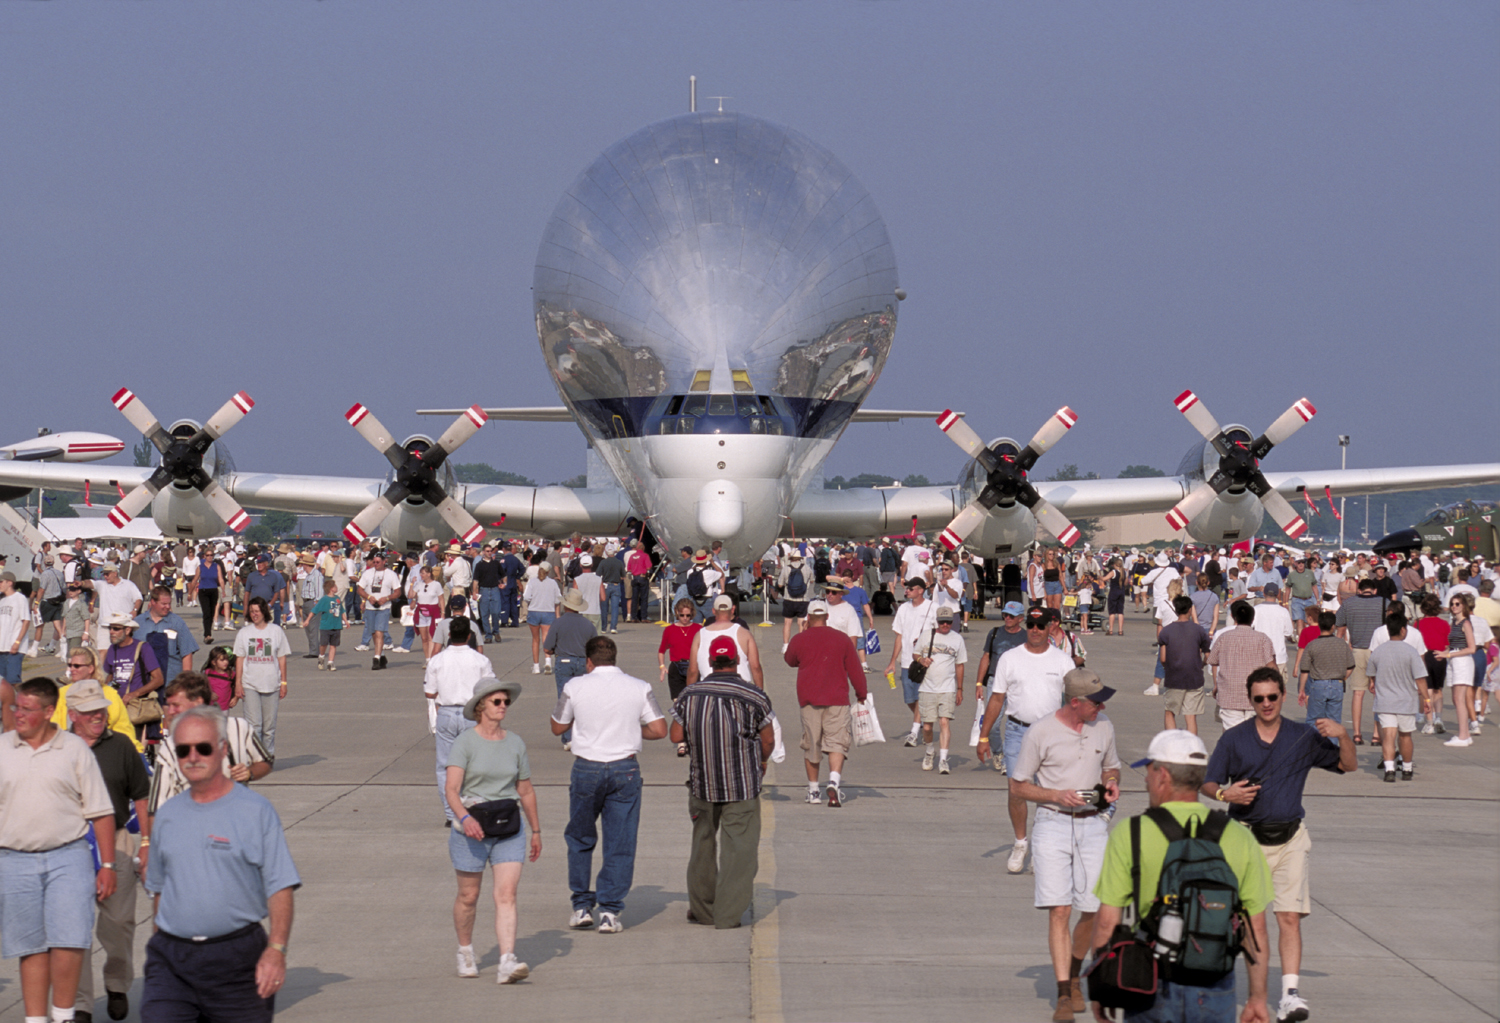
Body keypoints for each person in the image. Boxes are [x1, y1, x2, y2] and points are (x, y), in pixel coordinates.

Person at [1202, 667, 1355, 1023]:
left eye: (1272, 696)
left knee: (1289, 917)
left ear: (1283, 695)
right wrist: (1227, 793)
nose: (1266, 703)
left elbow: (1347, 765)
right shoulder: (1234, 738)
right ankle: (1223, 984)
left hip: (1290, 838)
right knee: (1245, 921)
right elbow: (1208, 782)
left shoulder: (1303, 736)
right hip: (1245, 838)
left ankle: (1289, 995)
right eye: (1259, 698)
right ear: (1250, 699)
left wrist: (1343, 735)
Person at [1090, 729, 1273, 1023]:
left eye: (1149, 771)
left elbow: (1107, 921)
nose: (1147, 780)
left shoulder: (1131, 833)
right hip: (1216, 987)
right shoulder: (1238, 836)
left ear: (1162, 775)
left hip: (1149, 985)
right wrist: (1258, 997)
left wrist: (1101, 986)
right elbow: (1256, 929)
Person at [142, 706, 299, 1021]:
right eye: (183, 749)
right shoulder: (168, 815)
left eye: (203, 748)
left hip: (237, 959)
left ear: (223, 749)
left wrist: (276, 949)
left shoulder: (255, 811)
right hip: (171, 960)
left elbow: (280, 885)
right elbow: (159, 890)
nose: (193, 757)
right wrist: (162, 941)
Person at [1, 678, 117, 1023]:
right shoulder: (2, 748)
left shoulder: (74, 749)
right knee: (30, 946)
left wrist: (107, 864)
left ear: (50, 711)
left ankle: (64, 1015)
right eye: (16, 707)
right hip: (14, 859)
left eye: (26, 709)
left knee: (69, 939)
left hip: (68, 857)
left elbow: (101, 811)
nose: (17, 714)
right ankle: (35, 1019)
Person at [1010, 670, 1120, 1022]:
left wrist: (1111, 784)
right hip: (1053, 823)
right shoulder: (1041, 731)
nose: (1101, 706)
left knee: (1092, 908)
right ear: (1075, 701)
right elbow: (1018, 786)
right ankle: (1062, 993)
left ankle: (1075, 974)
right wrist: (1055, 794)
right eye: (1095, 701)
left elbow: (1111, 768)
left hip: (1092, 824)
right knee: (1059, 909)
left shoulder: (1103, 726)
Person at [551, 635, 666, 933]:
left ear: (589, 662)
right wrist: (630, 732)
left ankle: (581, 906)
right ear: (614, 659)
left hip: (587, 768)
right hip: (624, 768)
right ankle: (610, 911)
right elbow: (659, 728)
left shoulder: (574, 686)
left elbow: (557, 726)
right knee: (620, 841)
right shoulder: (639, 687)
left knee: (580, 838)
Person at [670, 636, 775, 929]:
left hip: (703, 783)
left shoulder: (690, 694)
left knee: (702, 846)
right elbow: (768, 740)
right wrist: (762, 762)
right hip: (741, 784)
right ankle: (727, 915)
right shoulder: (755, 696)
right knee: (739, 851)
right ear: (737, 661)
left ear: (711, 662)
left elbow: (675, 735)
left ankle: (702, 910)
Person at [446, 677, 540, 983]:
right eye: (497, 701)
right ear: (480, 706)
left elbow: (525, 790)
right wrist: (464, 818)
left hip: (509, 828)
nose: (503, 707)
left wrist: (536, 830)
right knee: (468, 896)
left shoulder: (515, 742)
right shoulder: (465, 742)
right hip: (471, 830)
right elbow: (452, 789)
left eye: (506, 702)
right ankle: (465, 951)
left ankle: (506, 961)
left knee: (506, 894)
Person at [66, 679, 150, 1023]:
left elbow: (142, 795)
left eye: (100, 709)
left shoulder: (122, 747)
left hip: (116, 839)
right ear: (72, 714)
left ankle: (117, 983)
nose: (98, 715)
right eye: (89, 712)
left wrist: (145, 842)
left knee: (118, 922)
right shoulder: (59, 747)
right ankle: (81, 1004)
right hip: (70, 845)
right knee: (72, 928)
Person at [977, 605, 1076, 874]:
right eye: (1031, 626)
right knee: (1016, 789)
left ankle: (1044, 846)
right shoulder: (1010, 658)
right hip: (1018, 732)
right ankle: (1020, 843)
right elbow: (996, 699)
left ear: (1049, 628)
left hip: (1053, 734)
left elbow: (1073, 700)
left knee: (1048, 791)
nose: (1034, 630)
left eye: (1040, 626)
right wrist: (984, 736)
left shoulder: (1062, 661)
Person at [149, 673, 272, 816]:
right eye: (168, 705)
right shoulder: (170, 746)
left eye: (176, 705)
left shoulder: (238, 728)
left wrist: (249, 773)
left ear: (198, 703)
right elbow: (156, 808)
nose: (170, 712)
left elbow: (265, 761)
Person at [784, 599, 867, 806]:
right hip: (837, 699)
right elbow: (855, 669)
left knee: (812, 744)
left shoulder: (800, 639)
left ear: (809, 618)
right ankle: (834, 781)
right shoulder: (842, 639)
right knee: (837, 743)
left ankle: (813, 791)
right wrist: (861, 694)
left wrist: (803, 632)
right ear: (827, 617)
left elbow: (790, 660)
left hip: (809, 700)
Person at [425, 617, 498, 825]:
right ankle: (472, 808)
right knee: (474, 765)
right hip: (472, 713)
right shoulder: (480, 660)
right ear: (469, 636)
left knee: (445, 766)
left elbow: (430, 693)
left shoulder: (437, 660)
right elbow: (490, 688)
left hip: (446, 712)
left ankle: (451, 814)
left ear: (449, 636)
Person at [232, 597, 291, 760]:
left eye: (257, 611)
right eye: (251, 611)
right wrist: (238, 683)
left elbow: (282, 658)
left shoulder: (276, 631)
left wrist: (284, 682)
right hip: (250, 684)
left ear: (264, 611)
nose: (254, 614)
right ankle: (254, 757)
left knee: (269, 727)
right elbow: (240, 658)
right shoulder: (244, 633)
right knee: (253, 725)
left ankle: (268, 755)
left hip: (272, 684)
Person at [973, 601, 1028, 770]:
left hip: (1018, 684)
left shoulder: (1026, 637)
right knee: (992, 724)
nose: (1007, 618)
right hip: (995, 681)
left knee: (1018, 723)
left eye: (1011, 616)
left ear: (1020, 618)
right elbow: (986, 657)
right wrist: (978, 683)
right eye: (1005, 615)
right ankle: (999, 753)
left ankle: (1013, 758)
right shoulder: (995, 633)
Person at [886, 578, 940, 747]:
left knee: (921, 696)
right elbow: (899, 636)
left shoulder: (932, 608)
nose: (907, 590)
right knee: (910, 699)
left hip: (925, 661)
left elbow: (940, 632)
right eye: (906, 588)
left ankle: (914, 732)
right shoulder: (903, 608)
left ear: (921, 590)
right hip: (907, 660)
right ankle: (925, 721)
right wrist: (892, 662)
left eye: (911, 588)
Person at [1334, 577, 1388, 746]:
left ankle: (1356, 734)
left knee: (1358, 693)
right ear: (1375, 590)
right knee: (1378, 694)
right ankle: (1375, 734)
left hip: (1357, 650)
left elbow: (1339, 625)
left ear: (1359, 590)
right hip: (1379, 651)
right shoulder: (1384, 603)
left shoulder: (1349, 604)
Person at [1208, 601, 1277, 731]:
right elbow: (1271, 665)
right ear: (1252, 619)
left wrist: (1216, 684)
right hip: (1256, 694)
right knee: (1254, 734)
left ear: (1234, 618)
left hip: (1230, 694)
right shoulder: (1263, 639)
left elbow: (1212, 660)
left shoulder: (1224, 637)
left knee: (1232, 735)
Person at [913, 606, 966, 774]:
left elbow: (960, 665)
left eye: (948, 622)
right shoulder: (927, 635)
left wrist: (959, 689)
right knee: (927, 727)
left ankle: (943, 759)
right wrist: (922, 660)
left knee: (944, 722)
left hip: (948, 688)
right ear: (937, 621)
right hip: (927, 687)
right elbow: (915, 654)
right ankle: (929, 751)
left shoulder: (957, 639)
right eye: (942, 622)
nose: (945, 625)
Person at [53, 648, 140, 751]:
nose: (72, 669)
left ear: (90, 669)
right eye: (70, 665)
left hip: (105, 750)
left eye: (77, 666)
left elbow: (123, 728)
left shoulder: (109, 694)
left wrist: (137, 752)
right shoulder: (62, 693)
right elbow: (54, 726)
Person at [687, 593, 766, 688]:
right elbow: (756, 667)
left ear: (713, 611)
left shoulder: (699, 635)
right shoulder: (744, 633)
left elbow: (692, 671)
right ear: (732, 610)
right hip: (740, 689)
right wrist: (761, 695)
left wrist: (689, 695)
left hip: (709, 690)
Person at [1159, 594, 1211, 735]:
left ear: (1175, 610)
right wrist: (1202, 664)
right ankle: (1191, 748)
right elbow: (1208, 654)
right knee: (1191, 716)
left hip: (1174, 677)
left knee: (1170, 712)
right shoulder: (1199, 630)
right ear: (1190, 610)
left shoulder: (1166, 631)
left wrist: (1167, 668)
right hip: (1194, 677)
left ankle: (1171, 744)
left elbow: (1163, 658)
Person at [1296, 611, 1356, 727]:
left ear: (1319, 625)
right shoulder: (1341, 644)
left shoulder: (1312, 645)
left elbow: (1304, 670)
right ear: (1333, 626)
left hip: (1318, 684)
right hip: (1337, 684)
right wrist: (1343, 678)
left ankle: (1314, 744)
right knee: (1333, 722)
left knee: (1314, 719)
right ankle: (1331, 744)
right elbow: (1350, 666)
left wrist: (1302, 689)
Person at [134, 585, 199, 685]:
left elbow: (187, 653)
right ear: (153, 602)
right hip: (143, 684)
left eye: (169, 603)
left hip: (171, 683)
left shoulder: (177, 623)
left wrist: (186, 682)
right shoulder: (137, 623)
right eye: (164, 604)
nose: (168, 607)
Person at [1437, 593, 1479, 747]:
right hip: (1454, 661)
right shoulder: (1454, 622)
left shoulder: (1465, 623)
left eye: (1457, 604)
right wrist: (1444, 653)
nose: (1454, 607)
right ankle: (1465, 734)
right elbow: (1453, 644)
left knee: (1459, 698)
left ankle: (1463, 735)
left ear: (1463, 606)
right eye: (1452, 604)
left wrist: (1448, 653)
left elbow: (1472, 648)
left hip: (1463, 662)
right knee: (1456, 699)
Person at [355, 551, 400, 670]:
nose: (375, 564)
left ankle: (376, 659)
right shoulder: (367, 573)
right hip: (371, 607)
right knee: (374, 633)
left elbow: (397, 592)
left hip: (383, 608)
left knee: (380, 631)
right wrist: (368, 598)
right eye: (374, 562)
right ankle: (382, 655)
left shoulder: (391, 574)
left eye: (378, 562)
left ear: (384, 561)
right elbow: (360, 589)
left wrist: (387, 598)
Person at [657, 598, 702, 710]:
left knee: (694, 702)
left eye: (688, 615)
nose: (685, 618)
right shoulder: (669, 630)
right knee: (678, 702)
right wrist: (662, 666)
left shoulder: (699, 629)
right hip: (676, 668)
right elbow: (662, 650)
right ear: (677, 612)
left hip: (694, 667)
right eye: (682, 615)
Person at [524, 562, 562, 674]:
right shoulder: (553, 583)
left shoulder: (532, 582)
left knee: (535, 639)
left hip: (534, 611)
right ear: (549, 571)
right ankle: (548, 662)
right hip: (548, 611)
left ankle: (536, 666)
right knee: (546, 639)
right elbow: (557, 599)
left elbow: (526, 597)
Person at [0, 571, 33, 692]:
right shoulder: (1, 599)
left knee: (13, 679)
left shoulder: (20, 598)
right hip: (2, 646)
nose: (0, 584)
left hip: (15, 646)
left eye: (1, 582)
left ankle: (27, 700)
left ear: (9, 583)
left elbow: (26, 621)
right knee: (3, 681)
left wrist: (18, 642)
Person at [303, 579, 344, 671]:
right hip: (326, 626)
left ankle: (330, 663)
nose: (337, 588)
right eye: (335, 586)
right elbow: (314, 610)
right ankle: (321, 657)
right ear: (331, 589)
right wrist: (307, 620)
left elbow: (342, 611)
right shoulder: (324, 600)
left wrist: (346, 620)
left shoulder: (337, 599)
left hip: (336, 625)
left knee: (333, 645)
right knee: (324, 644)